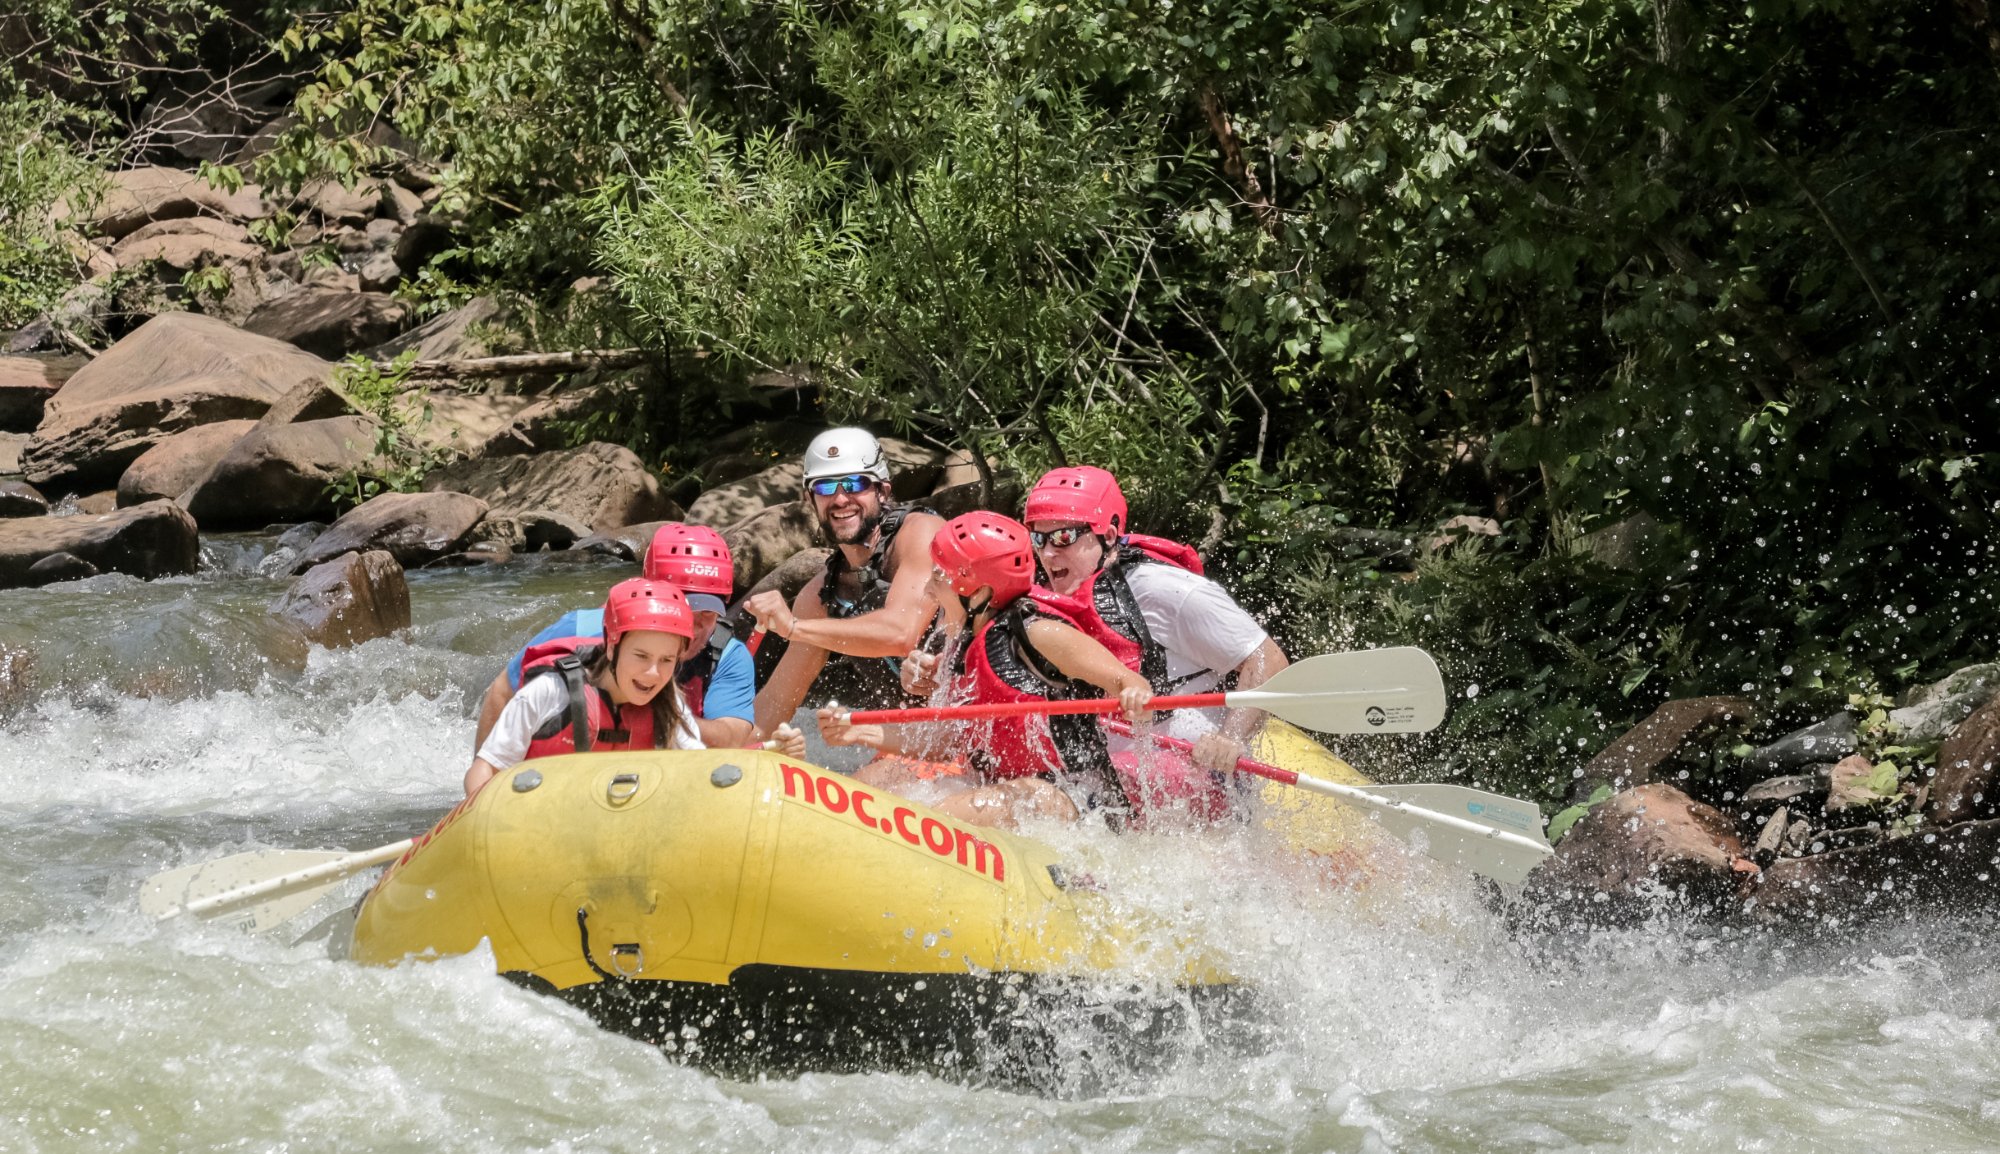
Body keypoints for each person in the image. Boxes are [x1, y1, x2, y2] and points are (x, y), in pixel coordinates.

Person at [816, 511, 1154, 830]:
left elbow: (1129, 681)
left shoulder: (1039, 633)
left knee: (967, 806)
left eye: (940, 575)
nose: (929, 587)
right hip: (1001, 785)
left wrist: (1133, 692)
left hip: (1074, 799)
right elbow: (951, 741)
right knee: (888, 775)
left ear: (977, 593)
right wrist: (859, 732)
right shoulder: (965, 642)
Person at [1019, 466, 1289, 776]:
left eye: (1063, 537)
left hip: (1193, 768)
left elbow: (1267, 658)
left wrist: (1231, 738)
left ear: (1106, 535)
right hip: (1123, 764)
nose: (1048, 553)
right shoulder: (1050, 599)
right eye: (1038, 538)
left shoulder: (1158, 588)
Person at [475, 523, 764, 751]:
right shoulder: (583, 631)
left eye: (708, 615)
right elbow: (503, 692)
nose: (694, 629)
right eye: (685, 611)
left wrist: (661, 719)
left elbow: (733, 737)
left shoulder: (727, 654)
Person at [744, 427, 947, 733]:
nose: (840, 499)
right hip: (910, 740)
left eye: (855, 484)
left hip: (969, 726)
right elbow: (776, 703)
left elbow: (901, 633)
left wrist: (796, 628)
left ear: (883, 492)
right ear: (810, 499)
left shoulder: (922, 533)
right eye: (825, 488)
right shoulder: (820, 596)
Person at [465, 579, 704, 797]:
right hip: (537, 822)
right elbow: (486, 767)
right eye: (641, 656)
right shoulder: (551, 691)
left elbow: (699, 769)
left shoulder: (671, 706)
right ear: (612, 647)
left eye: (666, 660)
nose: (653, 673)